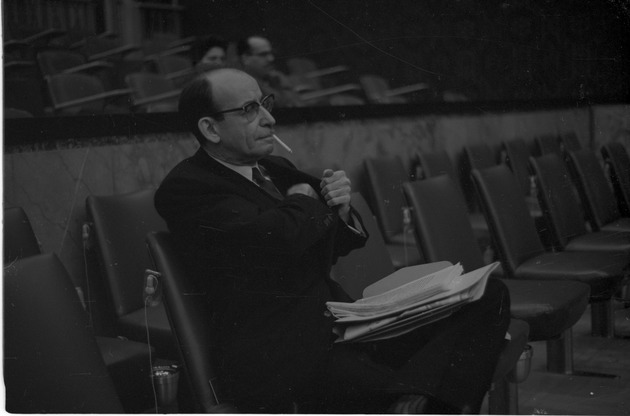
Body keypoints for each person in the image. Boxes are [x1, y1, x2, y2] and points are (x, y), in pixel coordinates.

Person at [155, 68, 511, 413]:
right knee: (431, 375)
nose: (268, 118)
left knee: (488, 295)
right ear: (210, 128)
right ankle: (418, 400)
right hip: (282, 358)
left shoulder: (272, 168)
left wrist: (339, 210)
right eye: (249, 110)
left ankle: (415, 400)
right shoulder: (188, 188)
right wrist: (306, 200)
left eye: (264, 103)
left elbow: (325, 240)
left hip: (342, 327)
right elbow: (278, 240)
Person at [237, 35, 302, 107]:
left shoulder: (278, 77)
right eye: (263, 54)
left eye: (270, 53)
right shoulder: (242, 86)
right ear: (245, 58)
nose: (271, 58)